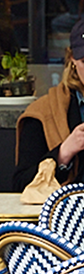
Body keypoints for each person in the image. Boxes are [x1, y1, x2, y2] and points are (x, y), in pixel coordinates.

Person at [14, 17, 84, 191]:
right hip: (67, 205)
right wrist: (64, 153)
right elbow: (21, 185)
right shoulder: (45, 112)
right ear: (72, 60)